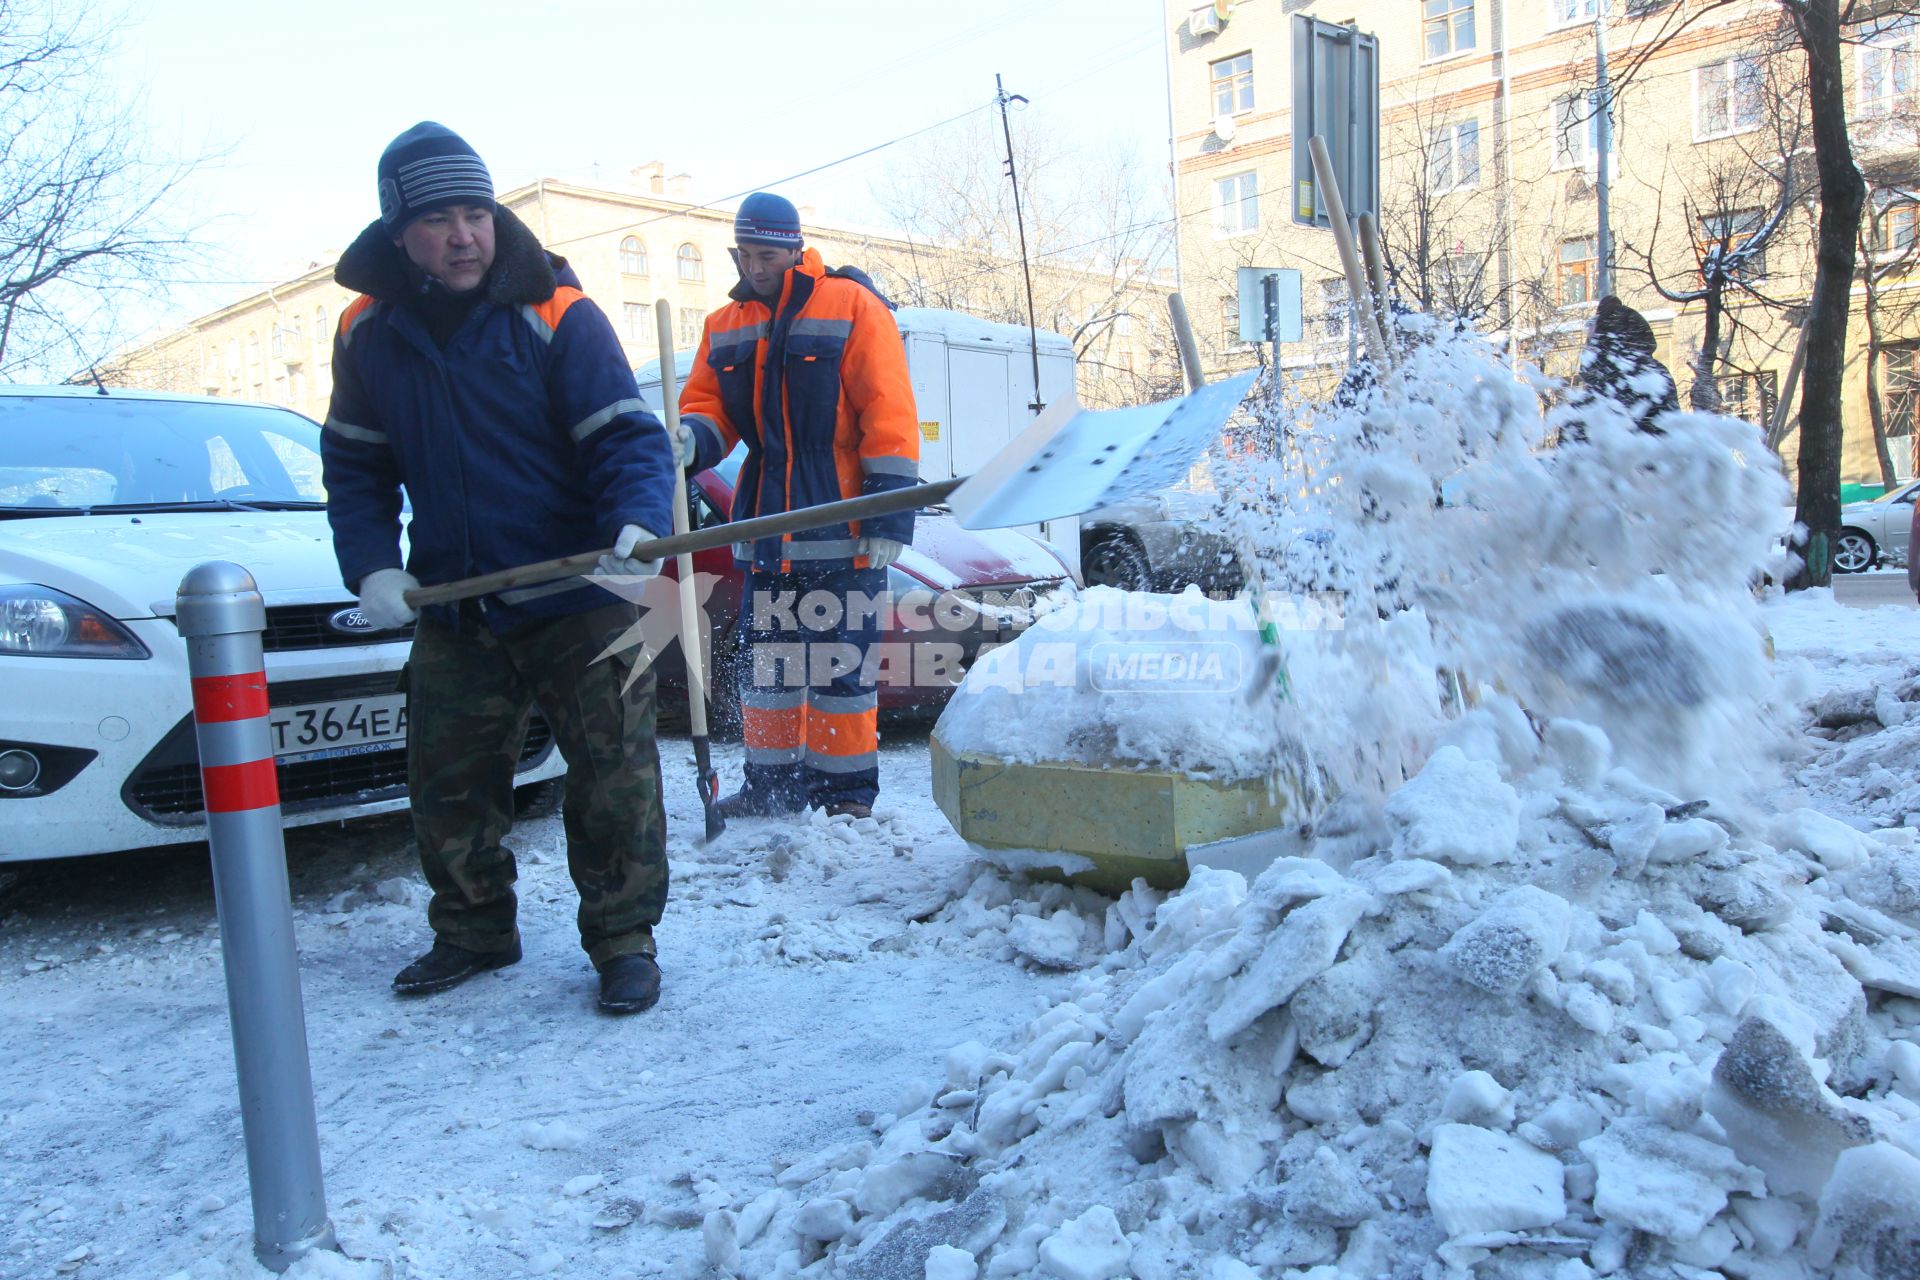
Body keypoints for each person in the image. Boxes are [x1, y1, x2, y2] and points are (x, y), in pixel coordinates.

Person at [321, 122, 677, 1014]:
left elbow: (626, 438)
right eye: (439, 218)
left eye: (476, 213)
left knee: (613, 777)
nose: (464, 234)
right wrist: (371, 567)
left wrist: (636, 523)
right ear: (400, 232)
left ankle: (624, 940)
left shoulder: (554, 310)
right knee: (445, 777)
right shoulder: (367, 331)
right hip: (457, 600)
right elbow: (356, 465)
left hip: (579, 593)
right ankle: (474, 929)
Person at [676, 192, 920, 822]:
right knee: (771, 671)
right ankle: (771, 788)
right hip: (765, 529)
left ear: (794, 248)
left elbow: (887, 414)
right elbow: (711, 411)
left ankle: (843, 795)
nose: (755, 267)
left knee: (842, 673)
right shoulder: (723, 325)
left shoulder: (853, 305)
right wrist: (690, 440)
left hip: (843, 527)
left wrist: (890, 516)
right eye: (745, 254)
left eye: (767, 255)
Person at [1563, 294, 1680, 441]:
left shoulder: (1609, 380)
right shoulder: (1655, 374)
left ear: (1605, 339)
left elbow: (1576, 447)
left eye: (1591, 339)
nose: (1587, 347)